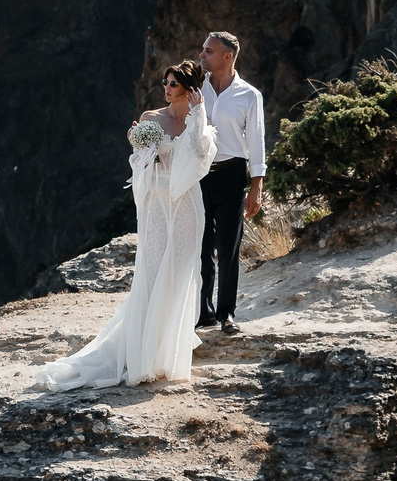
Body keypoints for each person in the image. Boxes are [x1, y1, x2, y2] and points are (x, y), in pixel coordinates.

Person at [35, 60, 216, 390]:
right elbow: (139, 163)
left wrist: (199, 117)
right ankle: (143, 357)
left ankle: (166, 357)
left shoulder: (196, 122)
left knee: (179, 275)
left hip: (187, 205)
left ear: (189, 91)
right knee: (151, 272)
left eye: (173, 84)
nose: (166, 87)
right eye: (166, 81)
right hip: (156, 206)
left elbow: (200, 159)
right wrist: (139, 144)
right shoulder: (151, 118)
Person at [195, 31, 264, 335]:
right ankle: (203, 311)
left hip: (232, 174)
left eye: (208, 51)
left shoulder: (249, 95)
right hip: (197, 174)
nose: (201, 55)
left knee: (228, 247)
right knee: (201, 247)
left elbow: (257, 141)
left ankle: (227, 314)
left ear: (227, 57)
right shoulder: (195, 87)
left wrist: (256, 186)